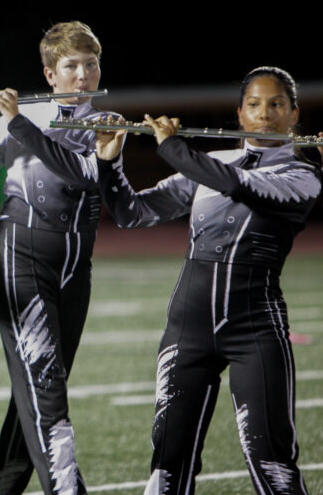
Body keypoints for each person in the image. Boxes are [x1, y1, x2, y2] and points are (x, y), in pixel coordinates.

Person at [94, 66, 319, 495]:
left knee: (272, 461)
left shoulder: (303, 176)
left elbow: (238, 185)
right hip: (188, 324)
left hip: (255, 325)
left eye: (276, 105)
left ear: (294, 114)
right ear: (239, 113)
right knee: (168, 461)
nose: (265, 114)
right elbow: (131, 212)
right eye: (254, 105)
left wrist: (173, 148)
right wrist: (109, 161)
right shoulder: (210, 164)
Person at [0, 21, 117, 494]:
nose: (82, 75)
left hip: (77, 269)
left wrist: (19, 123)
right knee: (47, 389)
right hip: (22, 263)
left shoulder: (105, 125)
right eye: (71, 66)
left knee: (35, 393)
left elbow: (81, 173)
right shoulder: (26, 112)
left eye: (90, 65)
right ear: (51, 74)